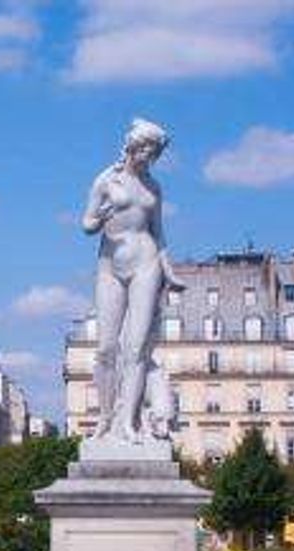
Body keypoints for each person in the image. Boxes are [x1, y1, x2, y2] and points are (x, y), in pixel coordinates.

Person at [82, 118, 181, 444]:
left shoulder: (154, 187)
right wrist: (101, 216)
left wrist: (169, 270)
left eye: (155, 152)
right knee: (106, 349)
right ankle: (105, 418)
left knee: (136, 349)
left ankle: (128, 422)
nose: (151, 157)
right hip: (111, 266)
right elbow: (86, 224)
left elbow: (159, 232)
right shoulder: (105, 180)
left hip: (147, 263)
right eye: (148, 150)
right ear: (133, 147)